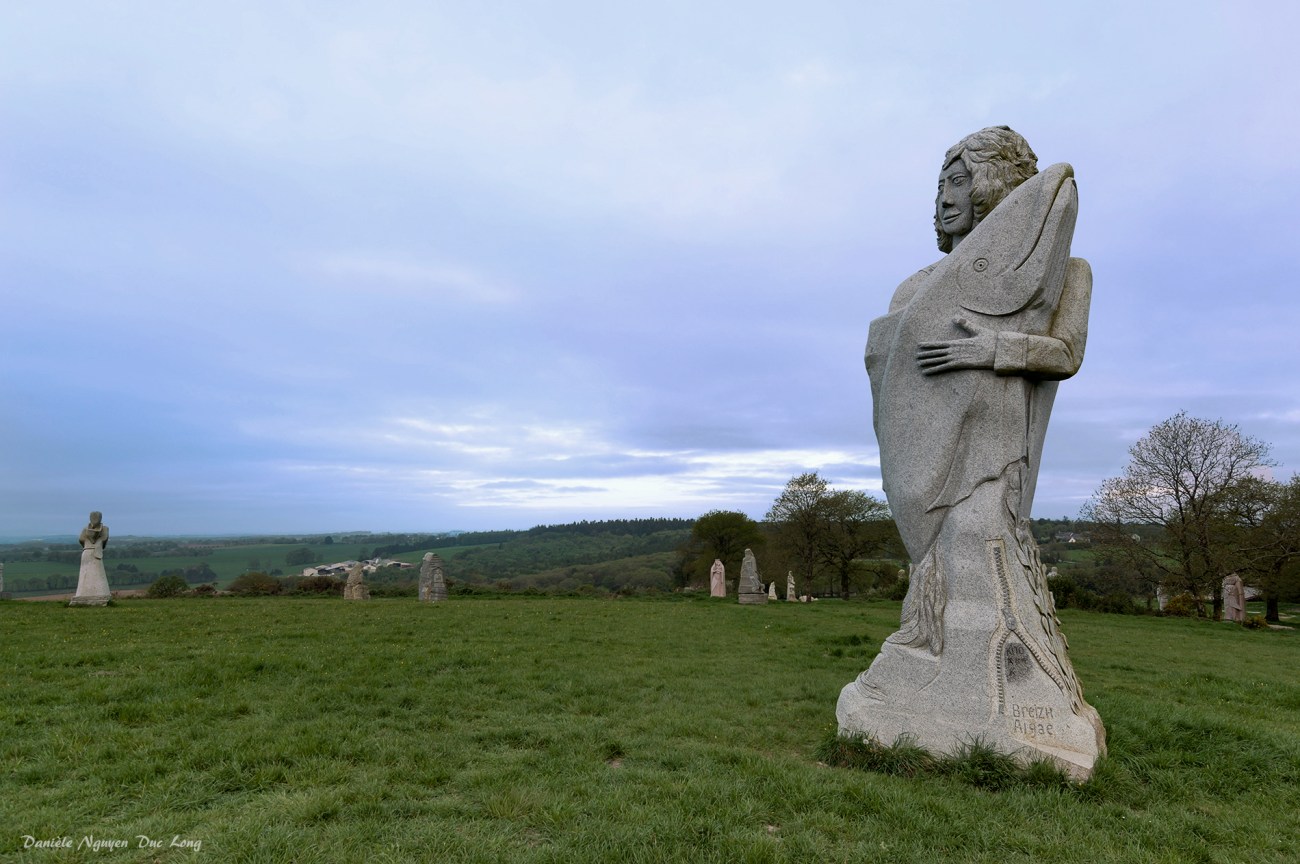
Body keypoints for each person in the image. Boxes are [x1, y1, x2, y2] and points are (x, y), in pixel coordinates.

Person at [71, 511, 112, 605]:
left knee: (96, 573)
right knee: (87, 574)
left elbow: (81, 540)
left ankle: (97, 593)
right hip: (90, 552)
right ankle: (86, 594)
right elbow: (82, 539)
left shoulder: (102, 528)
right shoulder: (90, 529)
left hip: (92, 552)